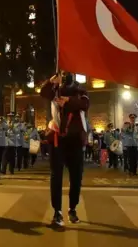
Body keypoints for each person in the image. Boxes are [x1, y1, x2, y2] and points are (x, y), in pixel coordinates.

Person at [40, 71, 89, 227]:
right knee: (56, 176)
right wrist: (51, 81)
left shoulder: (80, 91)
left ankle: (72, 208)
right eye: (62, 73)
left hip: (74, 140)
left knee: (76, 177)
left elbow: (84, 104)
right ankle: (57, 212)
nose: (65, 76)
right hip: (57, 139)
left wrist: (67, 101)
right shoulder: (55, 90)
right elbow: (44, 92)